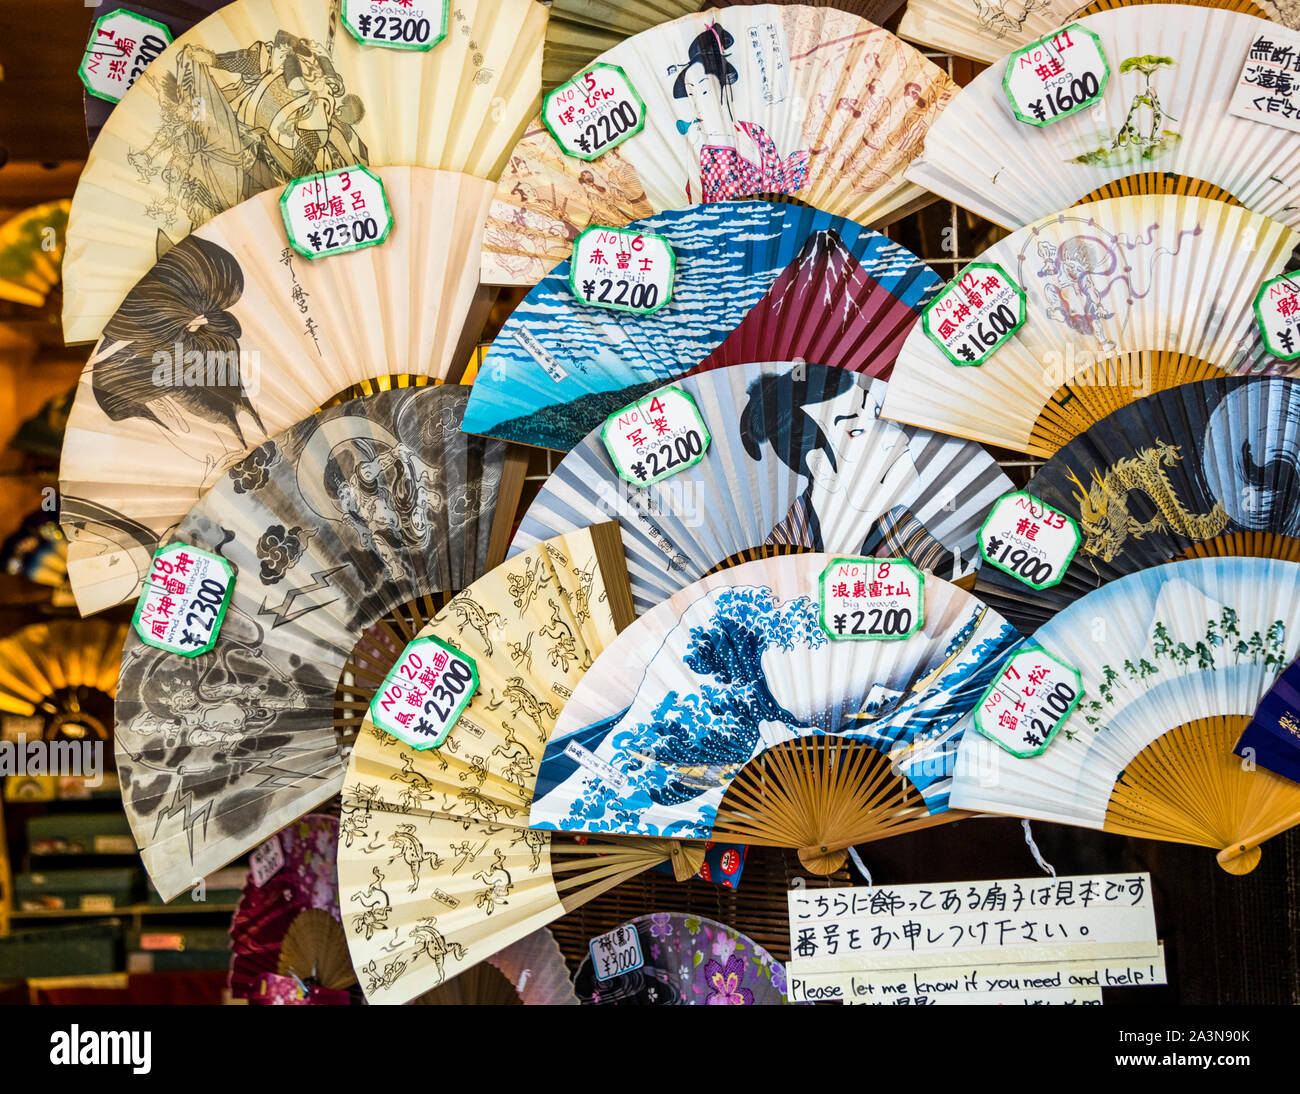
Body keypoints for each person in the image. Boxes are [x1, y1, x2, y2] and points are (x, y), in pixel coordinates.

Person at [739, 365, 955, 573]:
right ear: (821, 468)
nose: (899, 437)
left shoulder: (903, 531)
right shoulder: (780, 563)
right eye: (856, 430)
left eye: (877, 413)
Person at [668, 24, 809, 202]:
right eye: (690, 95)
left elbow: (781, 183)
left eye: (704, 91)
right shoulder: (700, 149)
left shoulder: (753, 132)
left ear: (723, 87)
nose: (696, 105)